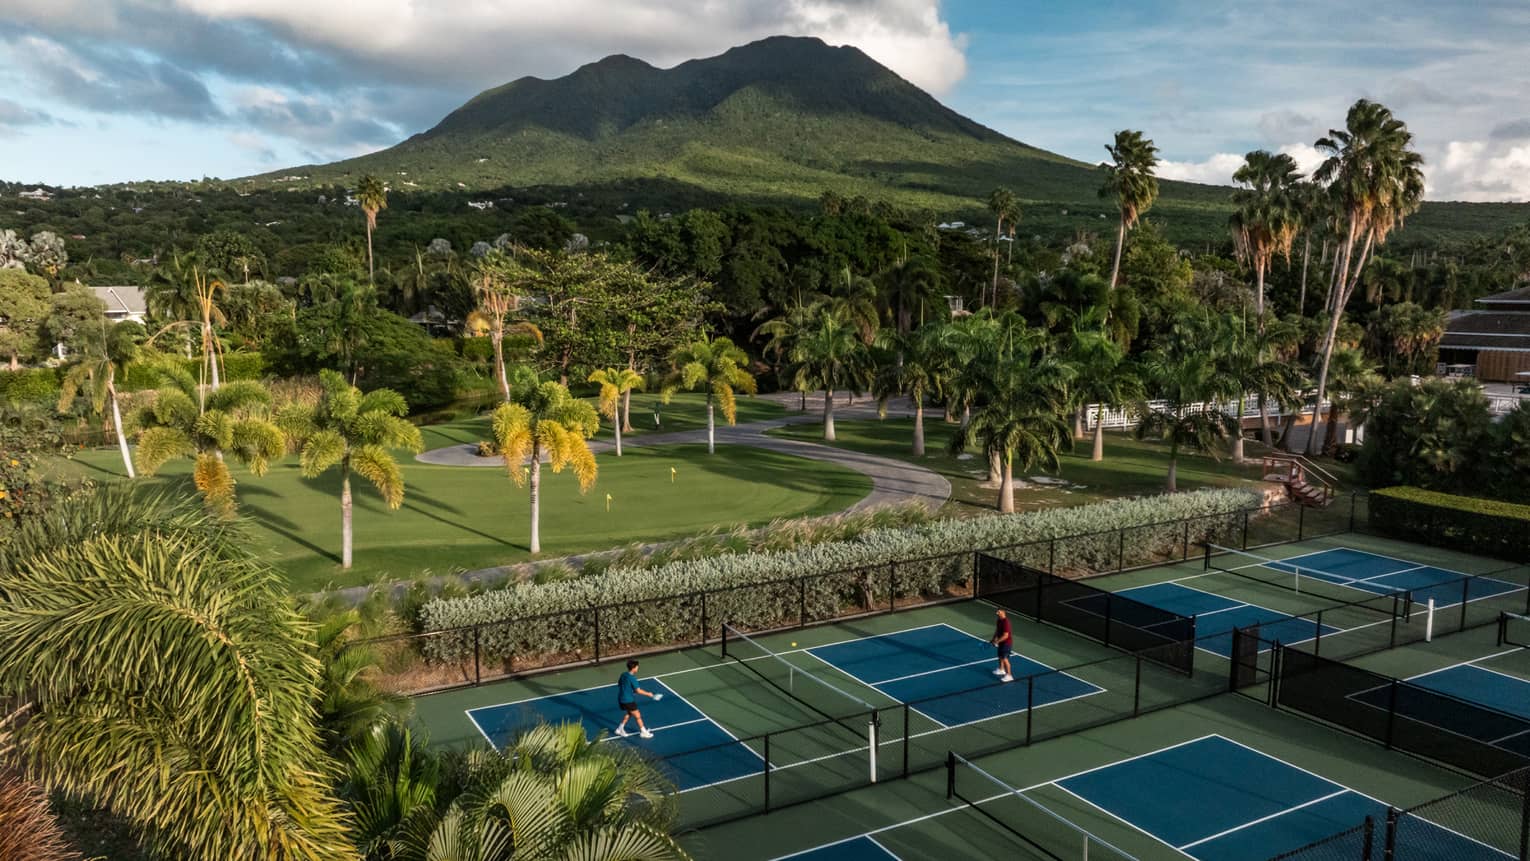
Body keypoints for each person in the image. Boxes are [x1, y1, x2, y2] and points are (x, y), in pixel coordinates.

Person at [615, 658, 663, 738]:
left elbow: (620, 684)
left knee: (629, 713)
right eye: (637, 667)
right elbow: (638, 691)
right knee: (638, 715)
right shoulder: (632, 678)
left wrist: (629, 690)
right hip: (628, 700)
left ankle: (619, 729)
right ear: (633, 668)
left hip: (621, 698)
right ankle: (643, 732)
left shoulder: (623, 674)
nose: (638, 668)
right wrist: (649, 694)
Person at [990, 608, 1014, 683]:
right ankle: (1001, 669)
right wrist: (993, 639)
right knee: (1000, 656)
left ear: (1003, 612)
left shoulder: (1006, 622)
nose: (997, 612)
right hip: (1001, 642)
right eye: (997, 611)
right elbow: (997, 630)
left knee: (1005, 658)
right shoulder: (999, 620)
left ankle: (1009, 675)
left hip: (1006, 643)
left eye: (999, 611)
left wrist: (997, 641)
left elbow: (1006, 636)